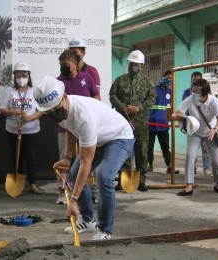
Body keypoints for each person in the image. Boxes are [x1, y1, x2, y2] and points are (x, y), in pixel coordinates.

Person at [33, 75, 134, 240]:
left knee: (104, 176)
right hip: (99, 138)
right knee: (72, 175)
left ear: (64, 97)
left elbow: (86, 163)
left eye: (54, 108)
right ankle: (88, 220)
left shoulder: (84, 116)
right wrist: (67, 156)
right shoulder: (60, 109)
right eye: (48, 111)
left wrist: (73, 200)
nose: (53, 113)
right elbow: (70, 129)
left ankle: (105, 229)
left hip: (119, 136)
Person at [56, 49, 100, 204]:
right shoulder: (58, 82)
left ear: (74, 64)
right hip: (65, 128)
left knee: (89, 159)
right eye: (61, 65)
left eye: (66, 65)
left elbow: (96, 96)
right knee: (64, 159)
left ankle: (93, 191)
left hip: (85, 127)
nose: (63, 68)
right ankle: (63, 192)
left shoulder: (87, 78)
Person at [109, 50, 156, 192]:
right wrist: (122, 107)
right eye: (132, 63)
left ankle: (141, 180)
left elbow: (152, 98)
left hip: (140, 122)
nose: (134, 66)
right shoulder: (119, 80)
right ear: (128, 63)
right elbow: (112, 95)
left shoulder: (147, 82)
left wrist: (138, 107)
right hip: (122, 121)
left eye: (137, 64)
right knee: (122, 150)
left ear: (142, 66)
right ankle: (122, 178)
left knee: (142, 150)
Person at [171, 78, 218, 196]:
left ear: (205, 92)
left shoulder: (213, 101)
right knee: (190, 156)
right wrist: (178, 117)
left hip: (211, 132)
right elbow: (178, 113)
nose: (194, 93)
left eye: (197, 91)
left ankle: (217, 185)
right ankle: (188, 187)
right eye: (193, 90)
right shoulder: (189, 99)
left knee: (216, 162)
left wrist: (214, 130)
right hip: (194, 132)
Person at [0, 61, 44, 194]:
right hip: (13, 130)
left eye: (24, 74)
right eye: (19, 74)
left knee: (30, 156)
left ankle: (33, 184)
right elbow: (2, 110)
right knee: (16, 156)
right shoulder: (9, 91)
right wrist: (13, 111)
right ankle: (18, 181)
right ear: (14, 76)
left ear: (29, 76)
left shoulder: (34, 91)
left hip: (31, 130)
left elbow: (41, 110)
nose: (21, 77)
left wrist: (29, 118)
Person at [147, 70, 179, 174]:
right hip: (151, 124)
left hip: (164, 125)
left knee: (165, 146)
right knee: (149, 146)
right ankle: (149, 164)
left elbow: (170, 109)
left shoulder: (170, 92)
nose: (169, 81)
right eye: (168, 78)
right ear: (163, 78)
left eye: (171, 79)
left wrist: (170, 121)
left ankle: (169, 166)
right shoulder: (153, 89)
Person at [182, 71, 212, 175]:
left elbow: (210, 108)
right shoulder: (187, 92)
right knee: (191, 150)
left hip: (204, 125)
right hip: (192, 125)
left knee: (206, 148)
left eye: (198, 80)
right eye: (194, 80)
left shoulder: (208, 93)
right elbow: (184, 109)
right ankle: (192, 169)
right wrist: (186, 122)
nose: (195, 82)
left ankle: (207, 168)